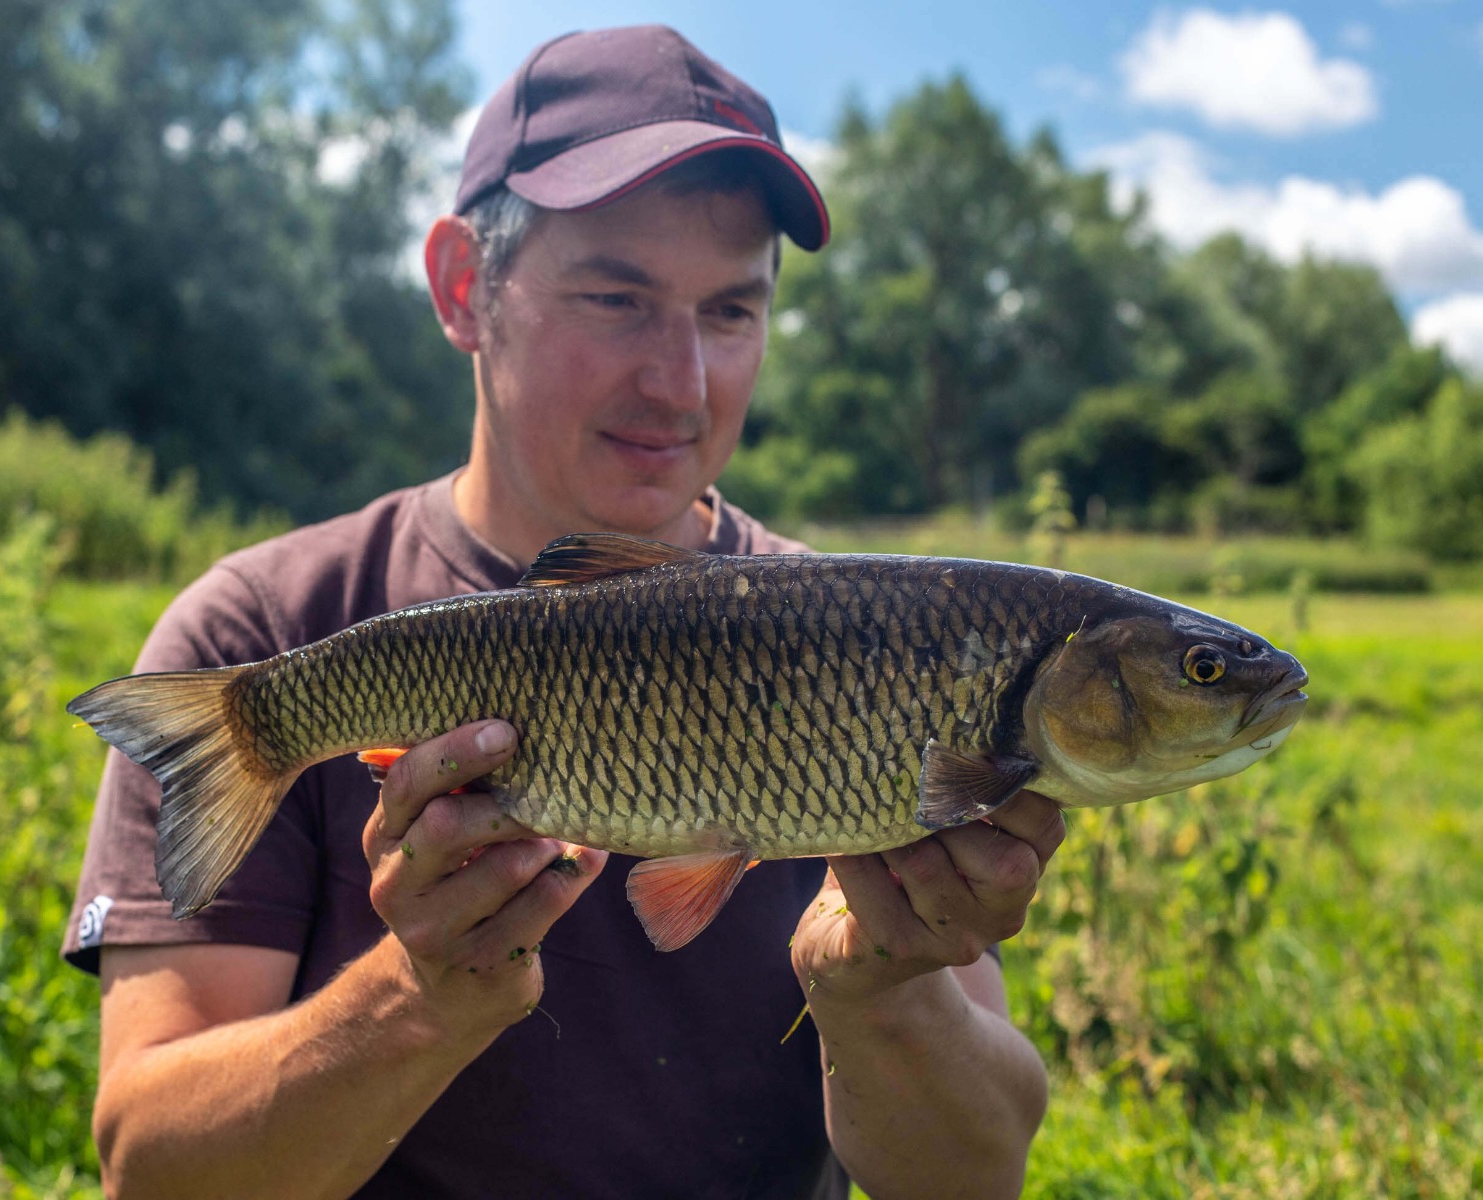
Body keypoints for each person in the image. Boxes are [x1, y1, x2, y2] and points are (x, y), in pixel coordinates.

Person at [64, 24, 1060, 1200]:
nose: (679, 383)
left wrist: (883, 988)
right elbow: (150, 1170)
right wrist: (423, 992)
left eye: (730, 313)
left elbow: (973, 1178)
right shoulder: (264, 637)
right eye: (615, 297)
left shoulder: (870, 642)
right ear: (461, 289)